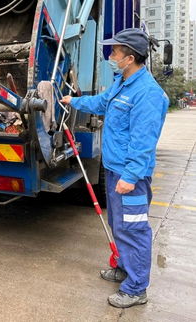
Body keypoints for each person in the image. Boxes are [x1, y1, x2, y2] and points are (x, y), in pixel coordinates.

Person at [60, 28, 169, 308]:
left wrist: (131, 176)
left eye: (115, 52)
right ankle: (123, 267)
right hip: (114, 169)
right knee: (118, 225)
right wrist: (74, 101)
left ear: (129, 57)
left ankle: (136, 289)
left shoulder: (148, 93)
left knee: (133, 229)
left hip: (130, 175)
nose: (111, 56)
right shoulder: (122, 82)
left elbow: (143, 141)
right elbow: (100, 103)